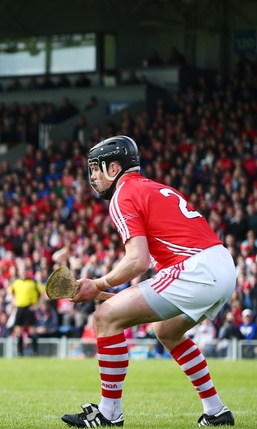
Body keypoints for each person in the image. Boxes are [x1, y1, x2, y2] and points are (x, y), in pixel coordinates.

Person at [61, 135, 236, 428]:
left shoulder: (123, 195)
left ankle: (108, 414)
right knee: (166, 330)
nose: (92, 177)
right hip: (222, 265)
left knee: (105, 318)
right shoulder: (156, 187)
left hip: (197, 270)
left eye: (95, 169)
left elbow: (138, 260)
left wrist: (99, 284)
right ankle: (216, 411)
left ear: (113, 168)